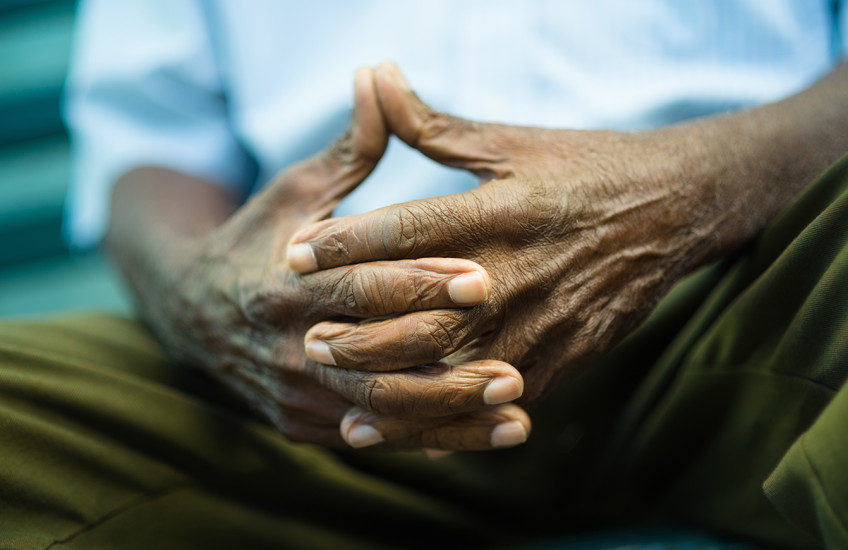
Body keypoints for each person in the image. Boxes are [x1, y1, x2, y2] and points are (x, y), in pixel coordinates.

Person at [1, 0, 846, 547]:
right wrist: (199, 293)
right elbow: (150, 142)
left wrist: (692, 193)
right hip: (311, 375)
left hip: (736, 294)